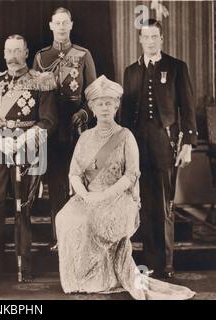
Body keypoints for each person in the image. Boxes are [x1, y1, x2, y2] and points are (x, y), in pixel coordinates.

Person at [56, 75, 195, 300]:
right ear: (91, 107)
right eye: (99, 103)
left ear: (116, 106)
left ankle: (102, 278)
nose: (104, 108)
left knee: (92, 220)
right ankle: (78, 278)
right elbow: (74, 173)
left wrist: (104, 196)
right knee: (65, 218)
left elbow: (131, 175)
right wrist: (85, 195)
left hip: (119, 196)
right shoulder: (85, 138)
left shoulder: (125, 136)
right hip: (88, 195)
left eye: (108, 103)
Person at [121, 19, 197, 278]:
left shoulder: (176, 67)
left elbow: (187, 109)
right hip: (137, 144)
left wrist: (187, 144)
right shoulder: (130, 71)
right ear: (140, 39)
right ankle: (149, 262)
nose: (150, 41)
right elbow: (125, 115)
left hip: (165, 143)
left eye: (155, 36)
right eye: (146, 36)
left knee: (164, 204)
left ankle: (167, 264)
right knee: (143, 202)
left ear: (161, 39)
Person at [0, 34, 57, 282]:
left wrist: (23, 140)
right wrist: (0, 140)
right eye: (8, 51)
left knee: (22, 208)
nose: (12, 56)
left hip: (28, 148)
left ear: (26, 53)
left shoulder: (40, 81)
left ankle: (25, 266)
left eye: (17, 51)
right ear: (4, 54)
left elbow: (48, 120)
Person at [33, 7, 97, 250]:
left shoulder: (83, 55)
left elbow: (92, 94)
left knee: (79, 183)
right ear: (51, 26)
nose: (61, 27)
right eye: (57, 23)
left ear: (71, 25)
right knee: (56, 184)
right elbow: (36, 95)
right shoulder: (41, 58)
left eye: (65, 23)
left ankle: (80, 236)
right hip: (51, 129)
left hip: (76, 129)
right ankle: (59, 237)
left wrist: (84, 113)